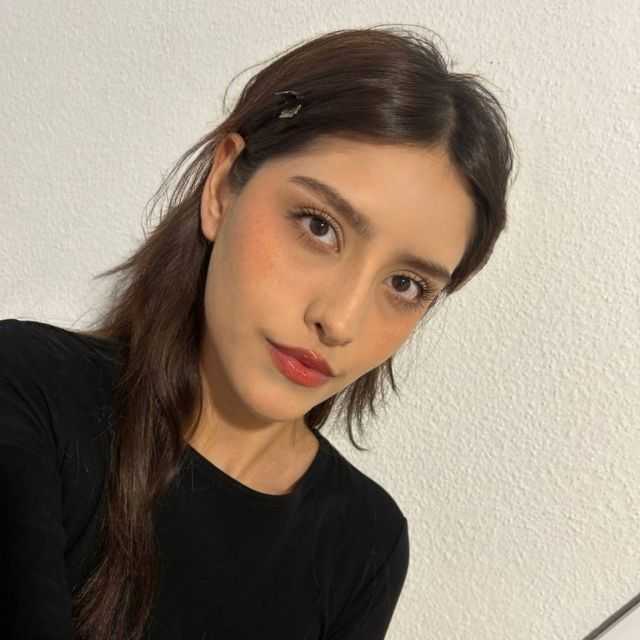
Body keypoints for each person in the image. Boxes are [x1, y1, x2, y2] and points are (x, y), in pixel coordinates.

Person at [0, 24, 515, 640]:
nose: (340, 320)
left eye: (405, 284)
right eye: (319, 226)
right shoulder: (28, 390)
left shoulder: (364, 544)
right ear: (222, 188)